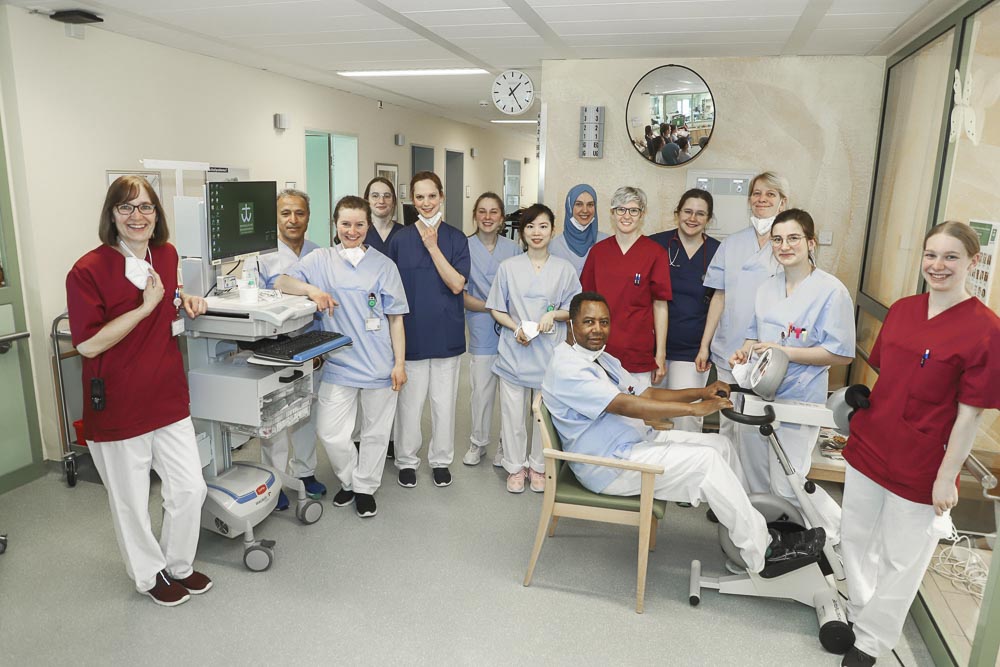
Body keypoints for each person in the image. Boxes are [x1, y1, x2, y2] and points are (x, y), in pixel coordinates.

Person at [541, 292, 825, 573]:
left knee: (720, 446)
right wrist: (695, 409)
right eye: (588, 322)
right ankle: (762, 552)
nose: (597, 330)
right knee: (707, 462)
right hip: (608, 466)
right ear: (572, 325)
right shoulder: (568, 368)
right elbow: (624, 405)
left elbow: (648, 392)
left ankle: (747, 525)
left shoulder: (602, 359)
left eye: (604, 322)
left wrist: (703, 392)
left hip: (633, 442)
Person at [838, 221, 1000, 667]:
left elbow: (970, 415)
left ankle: (871, 641)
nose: (938, 265)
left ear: (973, 261)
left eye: (950, 257)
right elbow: (891, 375)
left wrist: (948, 476)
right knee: (854, 537)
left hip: (924, 461)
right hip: (871, 444)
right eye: (931, 255)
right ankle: (859, 615)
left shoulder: (986, 330)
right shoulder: (904, 310)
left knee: (901, 557)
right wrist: (862, 396)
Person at [66, 175, 211, 607]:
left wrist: (184, 300)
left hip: (166, 395)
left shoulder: (165, 255)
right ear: (111, 215)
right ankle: (150, 575)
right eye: (126, 207)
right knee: (130, 500)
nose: (137, 216)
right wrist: (145, 307)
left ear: (157, 215)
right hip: (118, 403)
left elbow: (169, 303)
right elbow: (88, 343)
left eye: (146, 207)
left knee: (190, 488)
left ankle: (178, 564)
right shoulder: (87, 270)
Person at [276, 196, 408, 518]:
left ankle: (365, 489)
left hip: (379, 363)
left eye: (359, 224)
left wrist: (400, 364)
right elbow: (281, 281)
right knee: (331, 433)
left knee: (376, 432)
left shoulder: (384, 265)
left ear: (367, 226)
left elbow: (395, 318)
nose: (352, 230)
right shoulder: (320, 259)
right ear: (335, 224)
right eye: (346, 223)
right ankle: (351, 479)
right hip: (339, 362)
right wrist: (312, 291)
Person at [729, 209, 854, 536]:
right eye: (778, 239)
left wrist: (785, 352)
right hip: (760, 395)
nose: (785, 246)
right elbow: (755, 336)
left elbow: (839, 353)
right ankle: (762, 543)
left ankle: (833, 536)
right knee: (754, 477)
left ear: (811, 242)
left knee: (788, 483)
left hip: (800, 399)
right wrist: (744, 352)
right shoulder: (766, 289)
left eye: (794, 238)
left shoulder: (831, 291)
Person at [697, 171, 788, 480]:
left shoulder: (787, 247)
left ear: (782, 202)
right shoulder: (732, 244)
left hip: (768, 355)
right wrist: (705, 344)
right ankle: (727, 490)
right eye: (757, 193)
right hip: (728, 351)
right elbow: (719, 297)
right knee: (728, 424)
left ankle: (758, 495)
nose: (762, 199)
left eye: (770, 194)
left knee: (758, 429)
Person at [487, 204, 580, 493]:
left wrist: (553, 315)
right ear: (522, 232)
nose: (536, 232)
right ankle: (515, 467)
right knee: (512, 415)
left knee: (543, 416)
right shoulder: (508, 268)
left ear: (553, 230)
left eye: (542, 226)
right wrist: (515, 327)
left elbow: (574, 308)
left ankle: (538, 467)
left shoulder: (564, 269)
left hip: (549, 355)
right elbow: (496, 308)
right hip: (515, 352)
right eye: (530, 226)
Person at [388, 171, 470, 488]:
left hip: (446, 335)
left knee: (444, 404)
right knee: (409, 405)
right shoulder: (400, 239)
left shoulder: (456, 238)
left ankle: (440, 460)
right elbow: (392, 289)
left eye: (431, 196)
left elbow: (457, 284)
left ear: (441, 196)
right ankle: (407, 460)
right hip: (411, 336)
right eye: (419, 197)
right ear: (412, 199)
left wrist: (434, 247)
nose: (425, 202)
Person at [256, 188, 327, 509]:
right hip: (276, 349)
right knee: (274, 419)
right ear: (276, 218)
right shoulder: (265, 254)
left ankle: (305, 471)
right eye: (285, 213)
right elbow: (277, 284)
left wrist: (324, 343)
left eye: (299, 213)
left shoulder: (317, 252)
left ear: (308, 217)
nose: (293, 220)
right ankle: (275, 480)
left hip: (310, 346)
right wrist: (309, 288)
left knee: (305, 413)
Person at [581, 186, 671, 384]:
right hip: (599, 351)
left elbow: (660, 305)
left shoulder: (655, 254)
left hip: (637, 351)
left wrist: (661, 354)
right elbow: (584, 305)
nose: (626, 216)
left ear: (642, 214)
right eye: (621, 209)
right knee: (600, 412)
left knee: (635, 413)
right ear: (612, 213)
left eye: (633, 210)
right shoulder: (598, 252)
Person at [649, 189, 721, 432]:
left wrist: (705, 348)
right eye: (688, 211)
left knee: (687, 418)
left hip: (692, 351)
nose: (693, 218)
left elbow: (719, 301)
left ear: (709, 219)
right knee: (649, 416)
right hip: (652, 348)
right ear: (677, 213)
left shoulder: (717, 252)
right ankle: (649, 470)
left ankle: (686, 469)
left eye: (700, 214)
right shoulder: (655, 244)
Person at [462, 192, 520, 467]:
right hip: (482, 324)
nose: (487, 217)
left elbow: (520, 289)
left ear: (502, 217)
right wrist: (493, 308)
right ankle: (478, 441)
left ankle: (504, 445)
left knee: (510, 393)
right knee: (482, 390)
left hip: (510, 329)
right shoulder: (464, 246)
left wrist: (504, 313)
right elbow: (459, 293)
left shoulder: (513, 248)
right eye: (482, 212)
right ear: (475, 215)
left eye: (493, 212)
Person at [549, 184, 607, 276]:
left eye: (590, 204)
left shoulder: (606, 243)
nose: (585, 210)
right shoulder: (553, 247)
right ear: (569, 208)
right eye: (578, 204)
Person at [363, 176, 403, 256]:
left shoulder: (404, 233)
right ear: (367, 200)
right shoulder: (359, 233)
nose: (381, 201)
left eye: (387, 196)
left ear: (393, 201)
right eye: (375, 196)